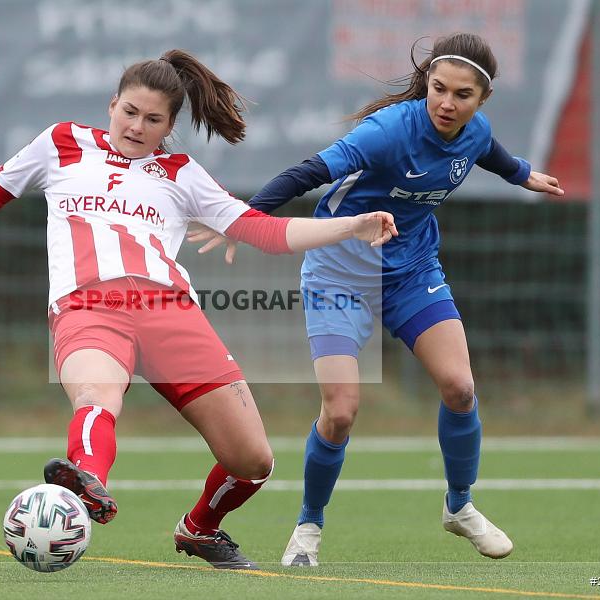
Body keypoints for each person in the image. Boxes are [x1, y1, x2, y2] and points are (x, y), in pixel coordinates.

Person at [0, 49, 398, 569]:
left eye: (153, 119)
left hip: (170, 313)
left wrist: (351, 225)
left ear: (169, 128)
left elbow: (265, 231)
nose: (137, 126)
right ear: (111, 105)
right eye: (130, 111)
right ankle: (84, 490)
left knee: (253, 461)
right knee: (96, 397)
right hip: (89, 306)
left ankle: (199, 527)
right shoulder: (62, 142)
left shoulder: (182, 174)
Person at [190, 32, 565, 565]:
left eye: (462, 95)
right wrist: (242, 220)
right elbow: (308, 173)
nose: (446, 103)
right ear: (427, 84)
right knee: (340, 413)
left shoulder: (474, 132)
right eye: (438, 89)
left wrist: (525, 175)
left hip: (413, 273)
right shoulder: (388, 131)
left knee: (460, 387)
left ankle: (459, 507)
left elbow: (492, 155)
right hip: (338, 275)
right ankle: (308, 528)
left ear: (481, 101)